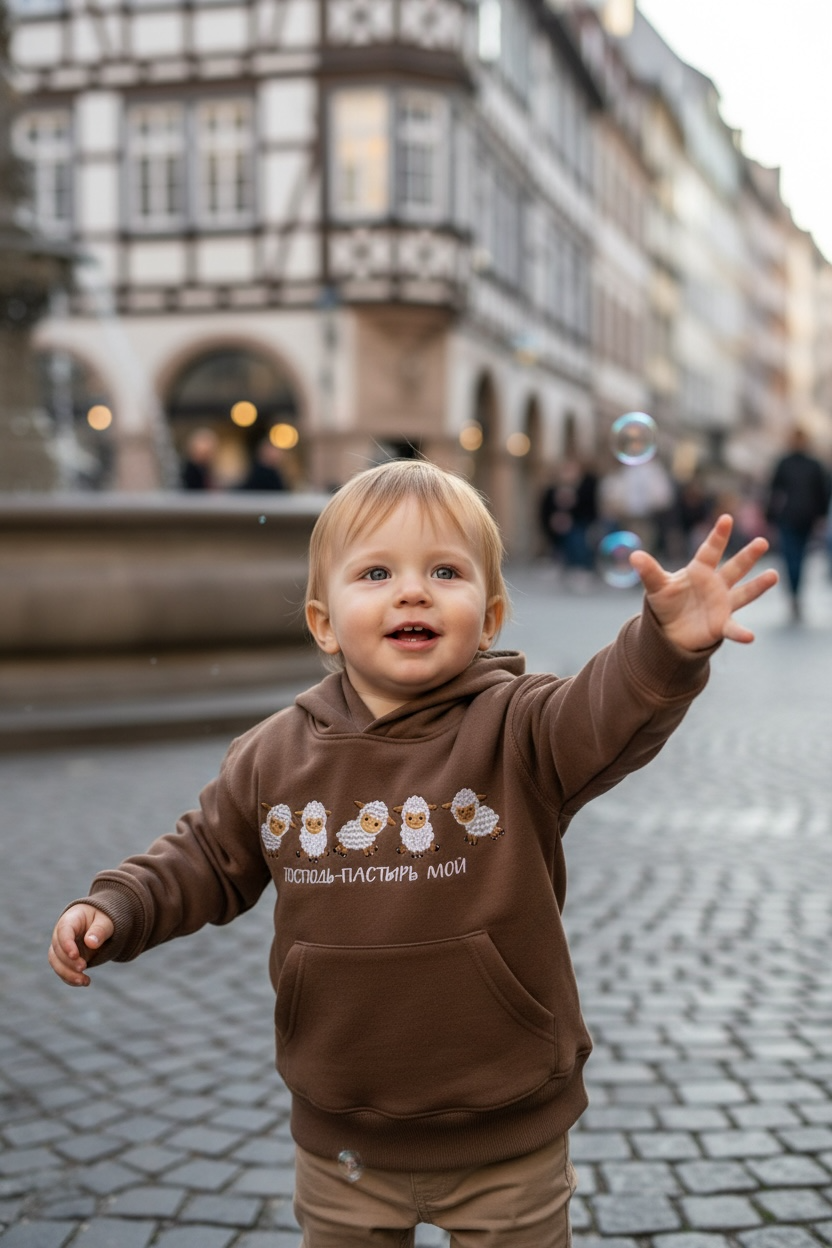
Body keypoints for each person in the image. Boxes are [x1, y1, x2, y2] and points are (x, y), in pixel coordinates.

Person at [48, 459, 777, 1248]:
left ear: (490, 615)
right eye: (375, 572)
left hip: (509, 1132)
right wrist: (116, 905)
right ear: (323, 623)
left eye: (444, 571)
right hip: (340, 1138)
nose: (413, 591)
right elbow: (203, 857)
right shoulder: (272, 756)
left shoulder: (522, 730)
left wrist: (664, 649)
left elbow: (603, 711)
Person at [765, 426, 831, 620]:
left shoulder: (788, 463)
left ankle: (794, 593)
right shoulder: (812, 464)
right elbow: (823, 492)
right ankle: (794, 593)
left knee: (794, 557)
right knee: (796, 557)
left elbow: (774, 491)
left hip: (794, 517)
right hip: (800, 517)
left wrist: (770, 514)